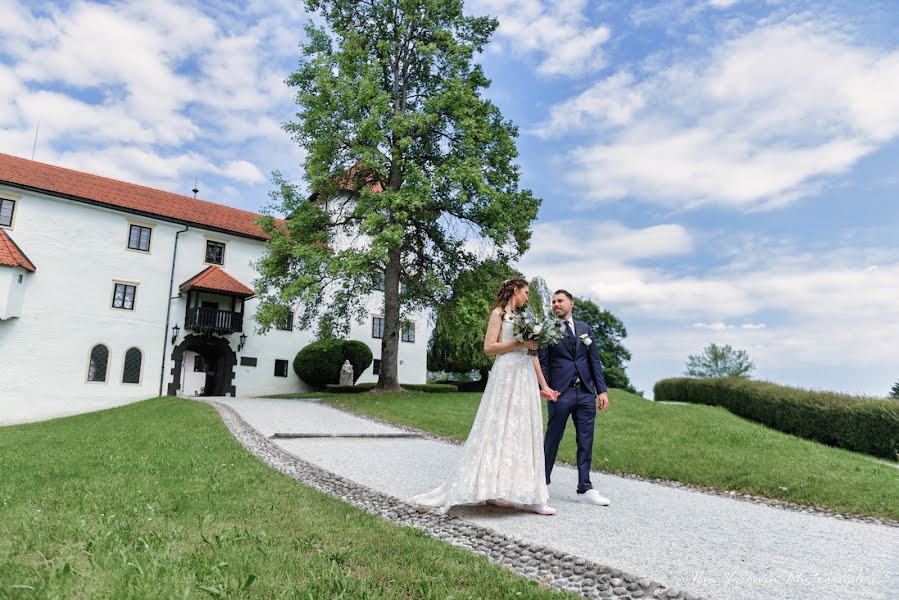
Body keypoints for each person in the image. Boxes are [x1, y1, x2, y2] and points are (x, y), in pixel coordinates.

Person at [411, 277, 559, 515]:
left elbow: (533, 356)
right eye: (526, 292)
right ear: (515, 290)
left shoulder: (524, 319)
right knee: (499, 428)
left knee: (523, 430)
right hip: (506, 374)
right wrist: (517, 343)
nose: (527, 297)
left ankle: (529, 495)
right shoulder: (498, 314)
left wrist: (545, 386)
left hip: (524, 378)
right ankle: (494, 490)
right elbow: (489, 348)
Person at [538, 290, 611, 506]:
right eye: (553, 302)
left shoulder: (585, 328)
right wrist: (546, 388)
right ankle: (542, 483)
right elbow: (542, 361)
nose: (556, 305)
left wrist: (602, 390)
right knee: (553, 438)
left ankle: (584, 488)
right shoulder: (547, 329)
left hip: (586, 393)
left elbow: (594, 360)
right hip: (560, 392)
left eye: (560, 301)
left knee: (586, 440)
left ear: (571, 303)